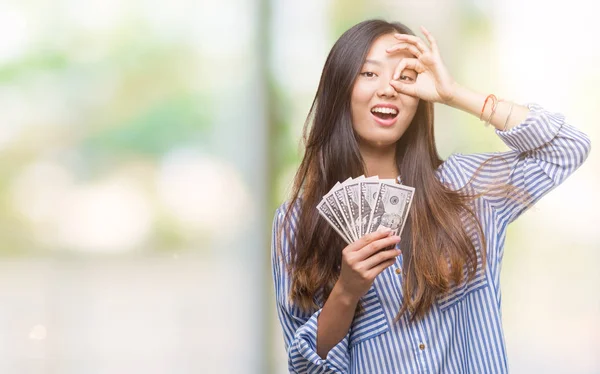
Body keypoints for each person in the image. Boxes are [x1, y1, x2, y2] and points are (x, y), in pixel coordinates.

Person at [271, 19, 590, 373]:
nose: (389, 89)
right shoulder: (296, 223)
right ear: (340, 87)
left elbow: (567, 148)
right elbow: (304, 367)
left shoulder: (465, 188)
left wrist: (453, 93)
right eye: (369, 74)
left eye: (405, 77)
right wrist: (346, 292)